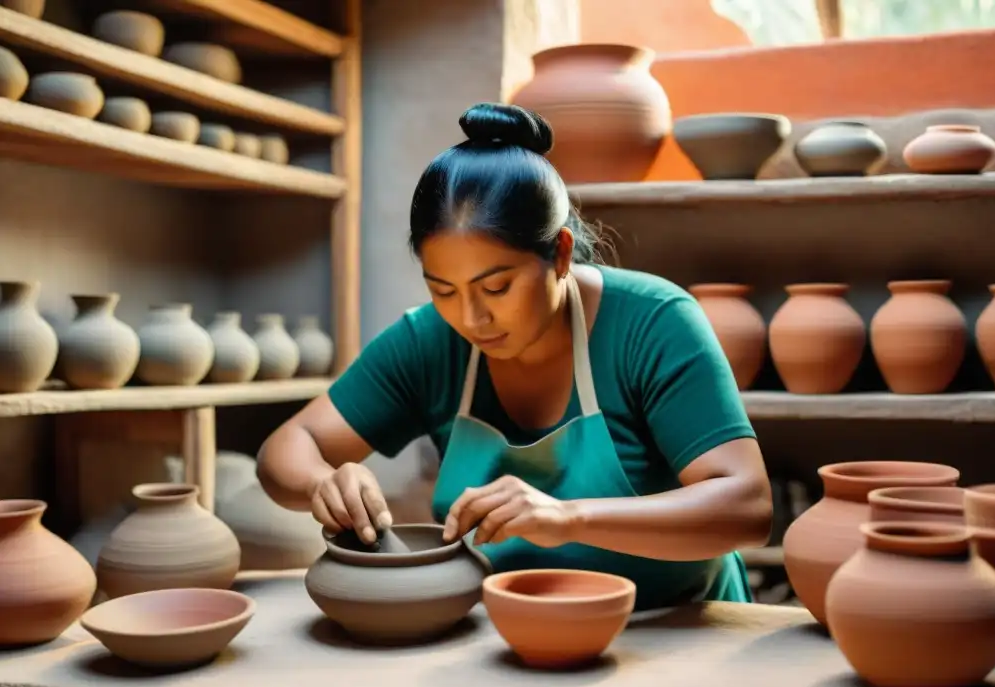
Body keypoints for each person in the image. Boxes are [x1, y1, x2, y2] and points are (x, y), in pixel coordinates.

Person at [256, 102, 772, 611]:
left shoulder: (653, 322)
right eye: (443, 289)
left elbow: (747, 506)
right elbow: (285, 449)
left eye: (497, 287)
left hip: (675, 628)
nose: (472, 317)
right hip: (512, 631)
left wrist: (570, 517)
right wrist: (323, 482)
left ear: (561, 253)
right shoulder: (430, 340)